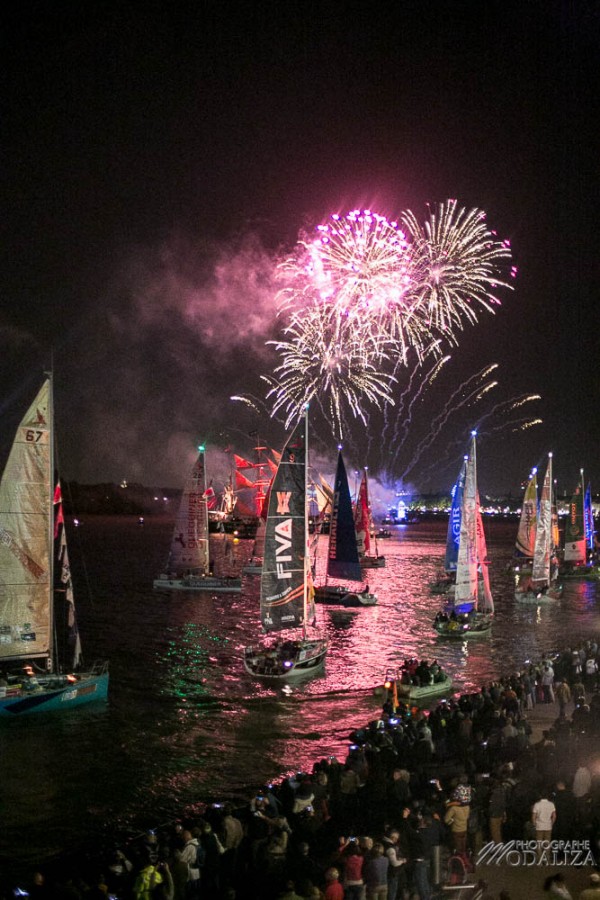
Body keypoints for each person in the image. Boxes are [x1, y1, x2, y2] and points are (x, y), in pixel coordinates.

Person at [531, 790, 556, 861]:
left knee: (539, 844)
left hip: (539, 826)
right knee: (547, 843)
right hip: (548, 826)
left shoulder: (537, 804)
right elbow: (554, 816)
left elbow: (533, 817)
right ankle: (547, 859)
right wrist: (551, 823)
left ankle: (540, 860)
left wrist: (534, 824)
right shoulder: (551, 804)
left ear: (540, 796)